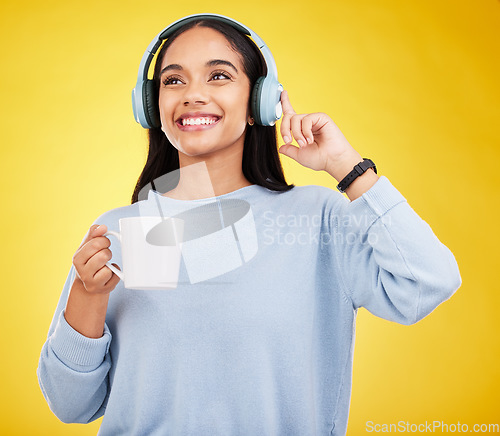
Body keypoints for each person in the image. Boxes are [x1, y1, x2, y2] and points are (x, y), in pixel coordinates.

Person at [37, 14, 461, 436]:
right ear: (151, 107)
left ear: (260, 101)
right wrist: (87, 295)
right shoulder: (123, 232)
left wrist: (348, 169)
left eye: (218, 76)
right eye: (173, 80)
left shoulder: (316, 218)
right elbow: (73, 406)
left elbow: (427, 283)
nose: (193, 95)